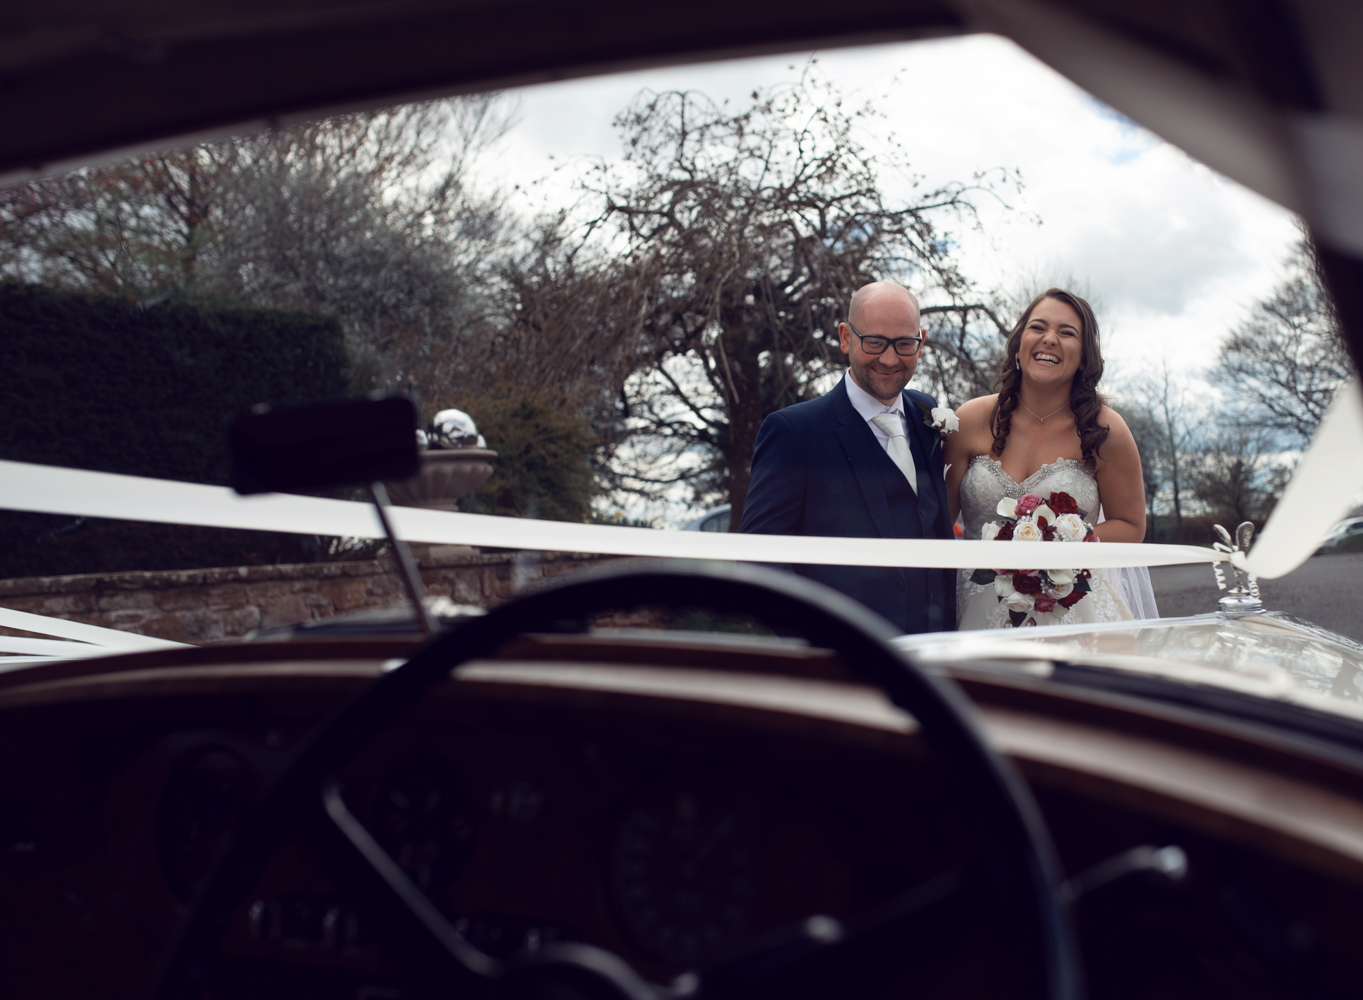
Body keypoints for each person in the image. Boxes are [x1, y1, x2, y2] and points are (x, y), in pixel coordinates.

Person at [740, 281, 956, 634]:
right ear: (845, 337)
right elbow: (759, 557)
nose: (889, 358)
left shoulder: (926, 413)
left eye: (904, 344)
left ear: (921, 341)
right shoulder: (793, 432)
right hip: (844, 663)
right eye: (874, 342)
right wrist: (819, 643)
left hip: (935, 656)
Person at [945, 288, 1153, 629]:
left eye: (1067, 332)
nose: (1050, 339)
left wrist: (1057, 546)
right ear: (1018, 344)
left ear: (1085, 357)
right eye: (1038, 327)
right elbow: (939, 520)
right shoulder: (969, 420)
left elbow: (1132, 526)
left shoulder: (1105, 430)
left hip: (1071, 611)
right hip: (973, 609)